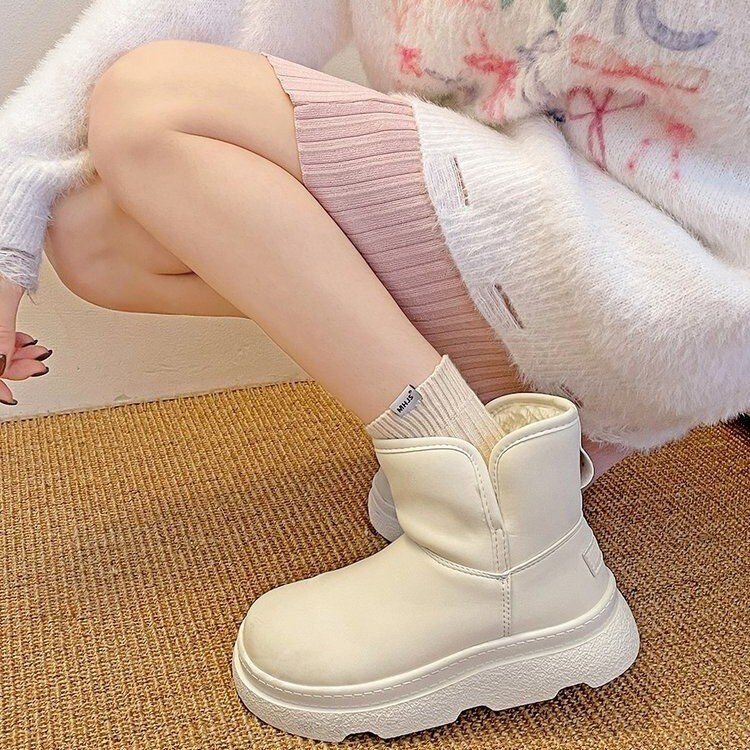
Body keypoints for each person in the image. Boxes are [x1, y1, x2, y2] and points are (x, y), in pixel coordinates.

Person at [0, 0, 746, 741]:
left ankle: (499, 547)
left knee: (152, 103)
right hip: (536, 235)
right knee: (95, 233)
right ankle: (497, 429)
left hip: (675, 277)